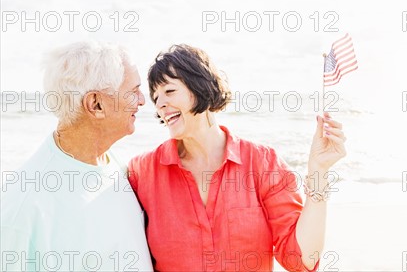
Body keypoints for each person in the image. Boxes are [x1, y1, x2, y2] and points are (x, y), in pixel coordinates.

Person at [128, 44, 347, 272]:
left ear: (200, 86)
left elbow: (301, 260)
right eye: (155, 97)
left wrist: (318, 170)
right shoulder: (142, 173)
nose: (160, 104)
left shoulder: (262, 163)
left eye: (169, 91)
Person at [0, 41, 153, 272]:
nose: (142, 100)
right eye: (133, 91)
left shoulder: (117, 167)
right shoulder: (25, 207)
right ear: (96, 104)